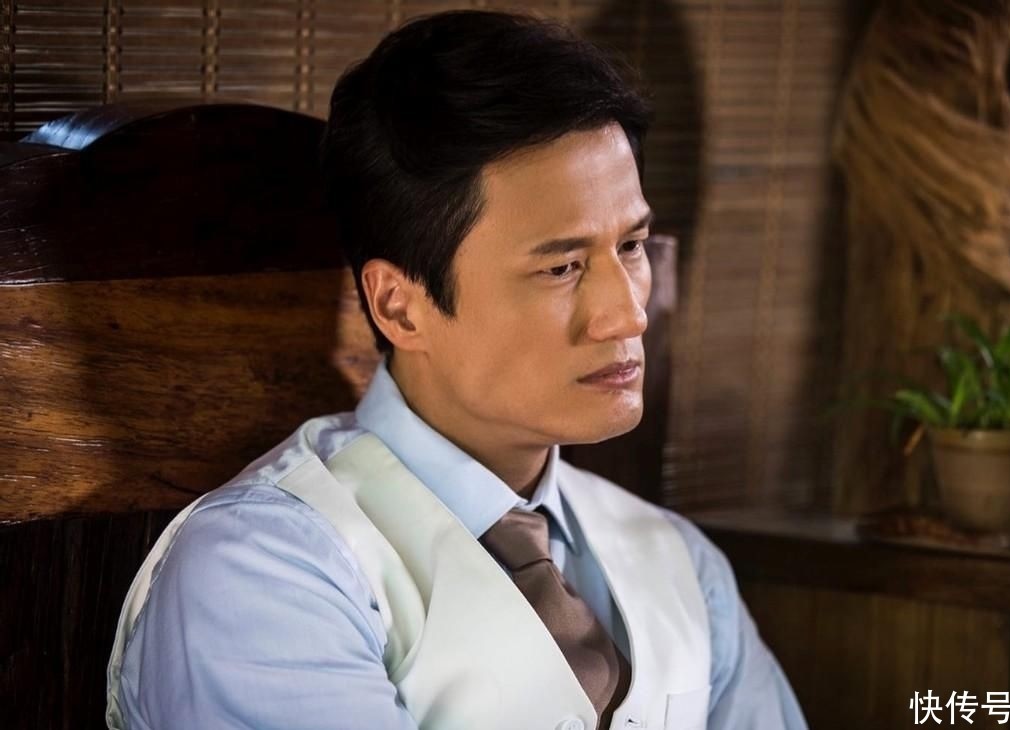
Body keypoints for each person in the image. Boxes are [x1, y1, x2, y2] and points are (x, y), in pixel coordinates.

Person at [106, 10, 807, 730]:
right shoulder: (265, 572)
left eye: (630, 246)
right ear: (401, 307)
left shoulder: (682, 565)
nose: (628, 314)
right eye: (562, 267)